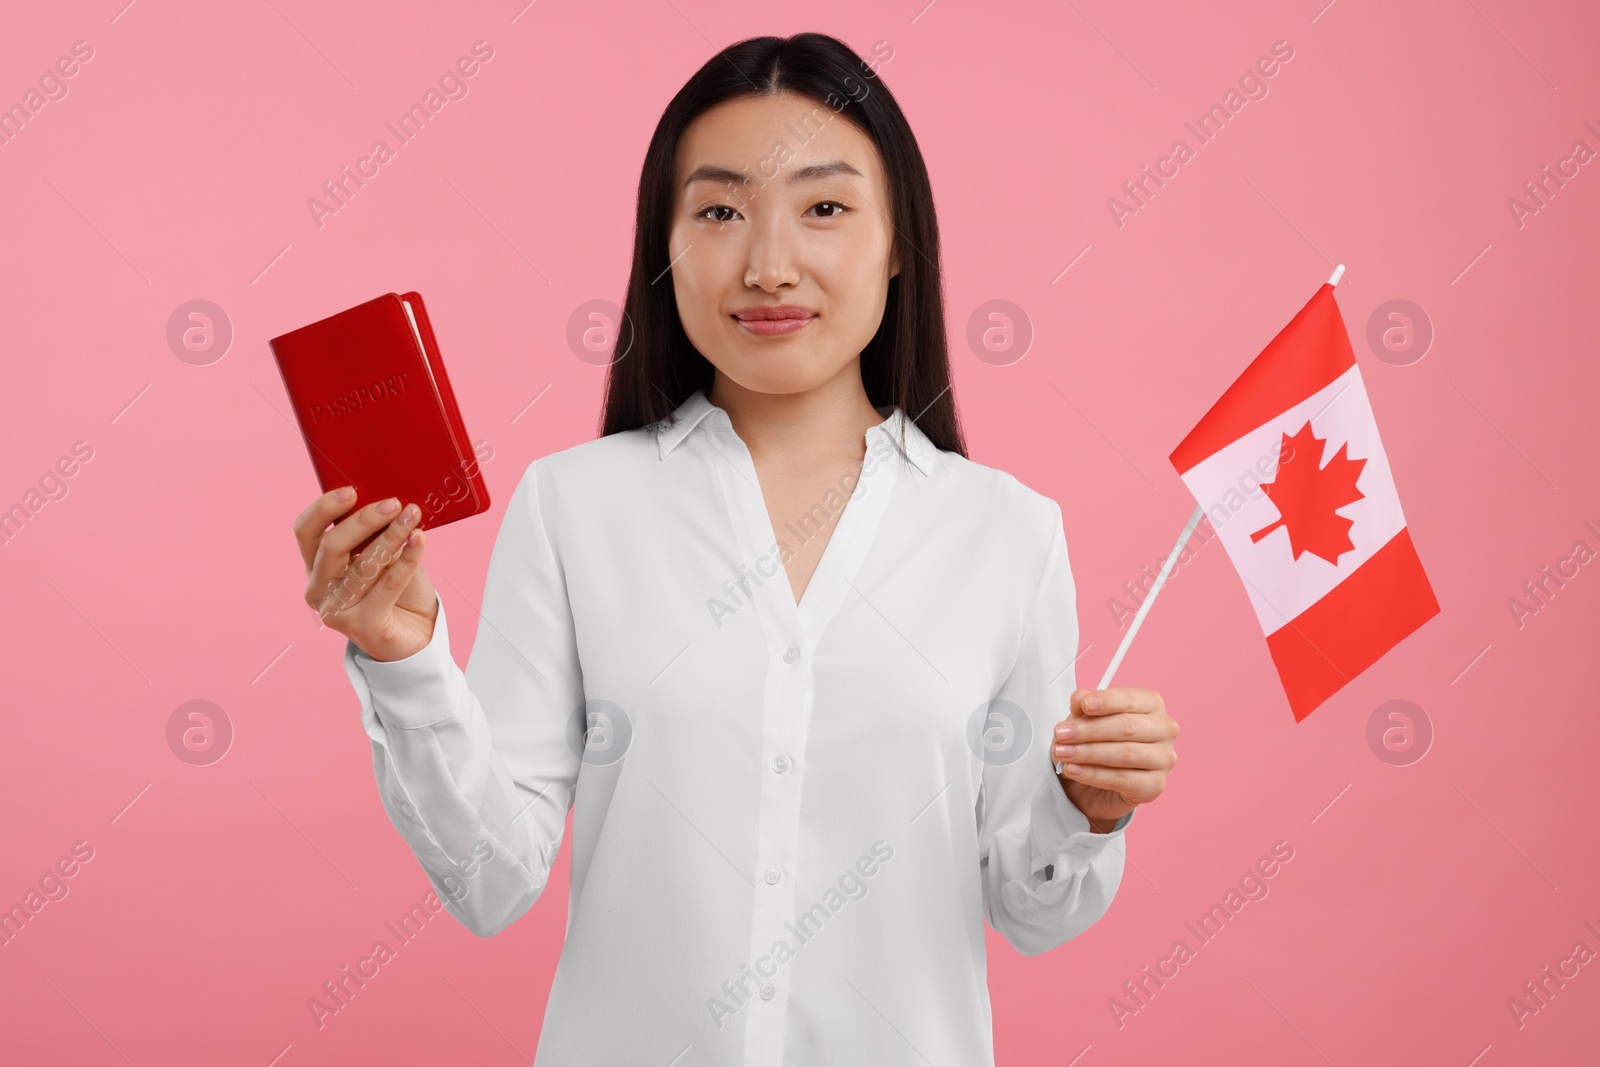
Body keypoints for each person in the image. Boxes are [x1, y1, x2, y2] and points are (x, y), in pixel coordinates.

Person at [292, 31, 1177, 1066]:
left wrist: (1088, 808)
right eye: (718, 210)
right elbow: (492, 880)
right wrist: (404, 660)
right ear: (663, 245)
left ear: (899, 242)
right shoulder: (576, 507)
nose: (766, 263)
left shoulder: (1006, 532)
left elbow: (1033, 910)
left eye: (825, 207)